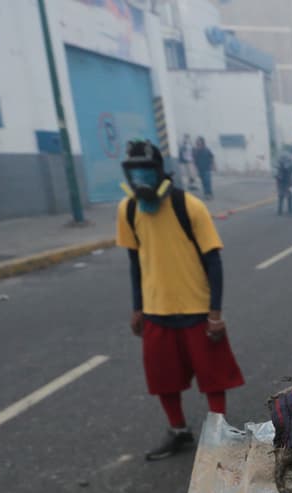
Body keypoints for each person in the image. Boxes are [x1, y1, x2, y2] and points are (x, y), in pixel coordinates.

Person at [115, 139, 244, 460]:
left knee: (213, 377)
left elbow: (213, 261)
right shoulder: (128, 209)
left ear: (160, 171)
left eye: (146, 170)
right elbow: (134, 261)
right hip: (156, 310)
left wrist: (215, 312)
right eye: (134, 172)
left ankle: (220, 434)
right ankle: (178, 430)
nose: (141, 178)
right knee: (163, 378)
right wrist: (137, 307)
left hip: (196, 309)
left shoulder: (190, 207)